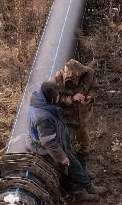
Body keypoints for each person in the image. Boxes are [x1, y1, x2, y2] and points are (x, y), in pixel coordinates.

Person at [27, 60, 97, 196]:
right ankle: (79, 191)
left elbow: (94, 88)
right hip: (45, 149)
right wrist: (62, 157)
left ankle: (84, 184)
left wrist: (89, 98)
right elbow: (49, 142)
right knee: (68, 166)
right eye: (58, 96)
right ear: (51, 98)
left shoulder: (42, 103)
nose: (59, 98)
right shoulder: (43, 117)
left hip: (55, 139)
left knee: (73, 161)